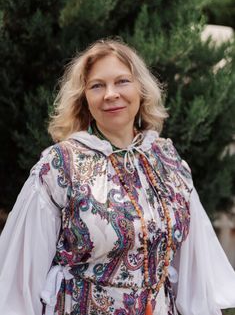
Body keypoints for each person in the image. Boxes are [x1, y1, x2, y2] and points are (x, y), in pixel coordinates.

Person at [0, 39, 235, 315]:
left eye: (122, 81)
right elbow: (20, 282)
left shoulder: (167, 160)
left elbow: (196, 269)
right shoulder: (59, 166)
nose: (111, 94)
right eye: (97, 85)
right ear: (84, 98)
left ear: (141, 90)